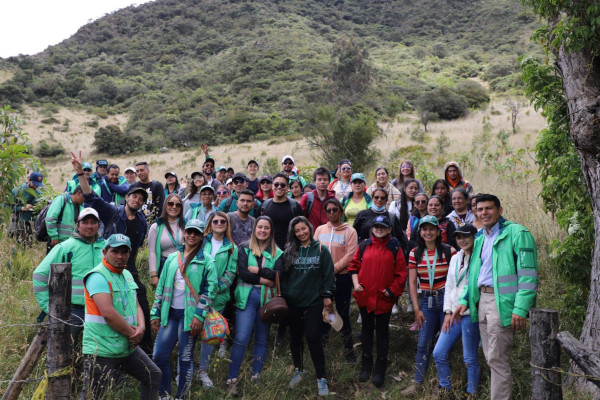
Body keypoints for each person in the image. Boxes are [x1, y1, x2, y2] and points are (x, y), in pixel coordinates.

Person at [453, 194, 538, 400]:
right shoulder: (480, 237)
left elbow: (528, 276)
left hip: (503, 304)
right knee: (490, 357)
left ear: (499, 210)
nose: (484, 213)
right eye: (480, 210)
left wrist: (520, 308)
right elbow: (474, 275)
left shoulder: (517, 233)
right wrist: (464, 300)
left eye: (489, 208)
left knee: (497, 358)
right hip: (482, 301)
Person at [71, 151, 154, 356]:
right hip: (109, 267)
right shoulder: (112, 211)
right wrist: (81, 173)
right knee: (109, 308)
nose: (137, 199)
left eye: (141, 198)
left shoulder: (143, 221)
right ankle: (104, 348)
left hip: (129, 269)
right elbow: (90, 196)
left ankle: (143, 348)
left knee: (141, 305)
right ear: (126, 197)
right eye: (134, 195)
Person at [81, 234, 161, 400]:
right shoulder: (97, 276)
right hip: (101, 349)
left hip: (126, 347)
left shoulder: (127, 274)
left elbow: (136, 304)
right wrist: (134, 334)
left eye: (124, 252)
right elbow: (108, 314)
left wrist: (142, 327)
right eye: (115, 251)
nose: (119, 256)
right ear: (105, 252)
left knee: (153, 375)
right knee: (92, 396)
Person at [151, 219, 216, 399]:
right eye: (189, 232)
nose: (192, 235)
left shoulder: (207, 260)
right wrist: (155, 313)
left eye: (196, 232)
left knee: (185, 359)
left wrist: (199, 316)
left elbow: (210, 290)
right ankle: (164, 394)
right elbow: (162, 287)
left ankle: (182, 396)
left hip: (190, 318)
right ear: (184, 233)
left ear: (202, 235)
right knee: (159, 356)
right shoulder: (172, 257)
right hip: (170, 314)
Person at [226, 216, 284, 396]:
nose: (263, 231)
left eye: (267, 228)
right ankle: (232, 379)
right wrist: (264, 278)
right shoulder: (244, 247)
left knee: (261, 338)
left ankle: (256, 375)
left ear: (271, 231)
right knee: (242, 338)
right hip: (247, 296)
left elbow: (277, 276)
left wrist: (257, 271)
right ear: (255, 228)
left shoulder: (278, 253)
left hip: (266, 300)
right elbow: (243, 273)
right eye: (260, 227)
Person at [349, 214, 408, 387]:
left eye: (382, 227)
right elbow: (353, 267)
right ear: (371, 229)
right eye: (376, 227)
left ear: (389, 229)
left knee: (382, 333)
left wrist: (392, 290)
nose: (379, 229)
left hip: (384, 299)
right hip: (365, 297)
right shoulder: (364, 246)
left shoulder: (394, 247)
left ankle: (380, 367)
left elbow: (401, 274)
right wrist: (355, 283)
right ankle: (366, 365)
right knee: (366, 331)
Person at [401, 216, 456, 397]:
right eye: (424, 229)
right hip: (427, 301)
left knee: (445, 344)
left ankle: (444, 385)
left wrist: (451, 307)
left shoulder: (449, 251)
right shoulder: (415, 253)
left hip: (446, 301)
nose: (428, 232)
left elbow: (456, 280)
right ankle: (417, 383)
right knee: (423, 343)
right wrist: (416, 310)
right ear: (420, 232)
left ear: (438, 231)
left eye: (431, 229)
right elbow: (412, 284)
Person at [33, 208, 105, 344]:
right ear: (78, 225)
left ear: (98, 225)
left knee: (100, 349)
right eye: (85, 222)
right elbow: (40, 274)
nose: (89, 226)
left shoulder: (106, 248)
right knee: (64, 348)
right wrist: (47, 306)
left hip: (102, 308)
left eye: (93, 222)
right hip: (73, 310)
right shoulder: (65, 247)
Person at [282, 216, 335, 396]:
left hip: (314, 301)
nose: (301, 233)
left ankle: (321, 378)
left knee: (313, 337)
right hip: (293, 302)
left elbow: (328, 275)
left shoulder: (321, 249)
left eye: (304, 229)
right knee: (295, 337)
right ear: (293, 233)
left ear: (310, 229)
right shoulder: (290, 251)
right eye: (297, 231)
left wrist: (327, 296)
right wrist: (287, 292)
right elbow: (281, 274)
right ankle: (299, 370)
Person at [433, 223, 480, 397]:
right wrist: (447, 312)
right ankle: (445, 388)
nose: (462, 240)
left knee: (469, 358)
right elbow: (449, 286)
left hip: (469, 314)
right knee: (438, 352)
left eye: (466, 236)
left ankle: (471, 393)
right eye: (459, 237)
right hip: (453, 314)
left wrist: (464, 306)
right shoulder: (455, 257)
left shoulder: (479, 258)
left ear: (475, 237)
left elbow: (475, 287)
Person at [197, 212, 238, 388]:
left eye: (223, 221)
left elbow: (230, 273)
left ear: (227, 225)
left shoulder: (232, 248)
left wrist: (215, 288)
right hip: (195, 296)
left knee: (209, 335)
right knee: (190, 333)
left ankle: (202, 371)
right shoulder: (201, 241)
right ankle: (184, 369)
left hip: (217, 298)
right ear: (210, 224)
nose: (219, 223)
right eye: (216, 221)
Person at [314, 198, 358, 362]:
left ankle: (348, 351)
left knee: (343, 312)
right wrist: (325, 271)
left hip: (342, 278)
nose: (332, 213)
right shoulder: (320, 230)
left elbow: (350, 254)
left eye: (335, 210)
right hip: (323, 278)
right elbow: (315, 250)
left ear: (340, 211)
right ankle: (323, 345)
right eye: (328, 210)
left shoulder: (350, 231)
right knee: (326, 310)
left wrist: (333, 269)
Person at [148, 194, 186, 289]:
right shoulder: (156, 227)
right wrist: (153, 275)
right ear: (165, 205)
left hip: (183, 264)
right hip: (164, 265)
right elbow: (152, 252)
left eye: (178, 205)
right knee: (164, 296)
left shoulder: (186, 225)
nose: (174, 207)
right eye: (170, 204)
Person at [260, 173, 303, 251]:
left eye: (282, 185)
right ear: (272, 186)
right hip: (268, 250)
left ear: (287, 188)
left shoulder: (295, 207)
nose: (279, 187)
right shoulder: (264, 206)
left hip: (290, 251)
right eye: (276, 184)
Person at [11, 171, 44, 246]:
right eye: (34, 184)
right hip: (20, 223)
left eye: (38, 185)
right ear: (29, 180)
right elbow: (12, 208)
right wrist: (22, 208)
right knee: (20, 245)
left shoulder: (40, 194)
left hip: (33, 223)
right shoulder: (17, 191)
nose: (36, 187)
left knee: (31, 245)